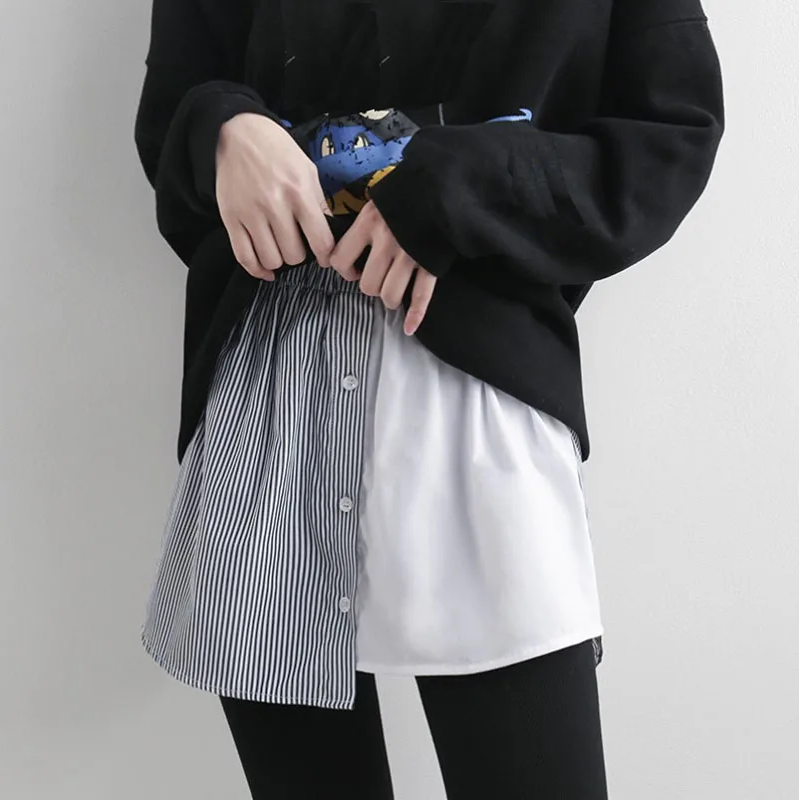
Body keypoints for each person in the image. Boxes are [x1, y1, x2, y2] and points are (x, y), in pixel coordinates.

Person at [133, 1, 724, 797]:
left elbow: (669, 138)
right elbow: (173, 109)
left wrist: (455, 185)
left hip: (481, 408)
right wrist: (222, 127)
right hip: (270, 401)